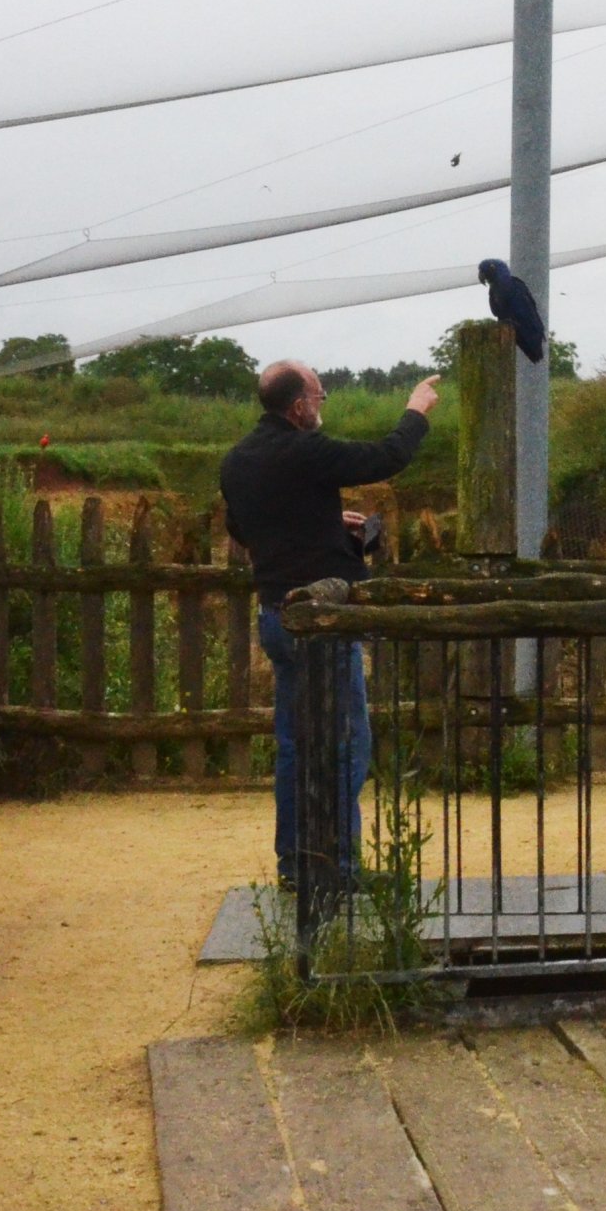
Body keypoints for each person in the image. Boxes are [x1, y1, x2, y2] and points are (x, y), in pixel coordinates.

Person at [219, 359, 441, 890]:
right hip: (323, 620)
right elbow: (386, 457)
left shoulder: (237, 460)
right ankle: (339, 868)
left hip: (277, 616)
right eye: (319, 397)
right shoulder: (305, 451)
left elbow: (243, 526)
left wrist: (320, 520)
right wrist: (416, 412)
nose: (322, 406)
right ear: (298, 407)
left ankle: (296, 866)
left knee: (294, 745)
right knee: (347, 741)